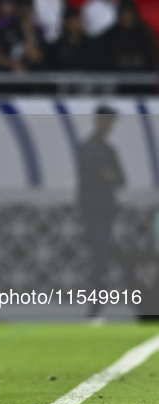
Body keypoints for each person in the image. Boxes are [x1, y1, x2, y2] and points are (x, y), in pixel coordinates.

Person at [78, 106, 125, 317]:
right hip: (93, 213)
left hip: (108, 213)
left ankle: (100, 305)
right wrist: (104, 176)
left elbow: (121, 179)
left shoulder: (109, 150)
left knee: (104, 259)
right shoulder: (88, 149)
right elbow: (87, 178)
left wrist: (110, 177)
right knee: (98, 259)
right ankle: (94, 307)